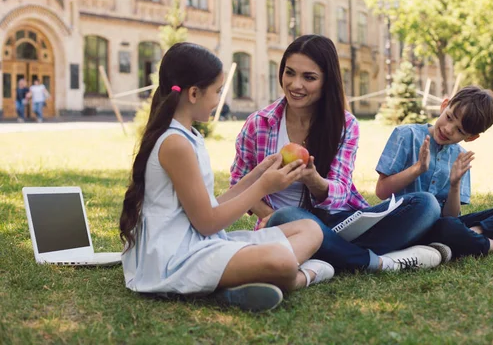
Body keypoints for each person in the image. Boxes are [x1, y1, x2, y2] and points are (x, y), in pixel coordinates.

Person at [119, 42, 335, 313]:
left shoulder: (188, 136)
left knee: (310, 229)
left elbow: (210, 205)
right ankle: (302, 277)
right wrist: (264, 187)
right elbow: (208, 223)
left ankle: (230, 284)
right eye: (218, 91)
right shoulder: (175, 144)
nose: (219, 99)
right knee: (282, 260)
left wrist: (258, 173)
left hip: (199, 244)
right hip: (176, 259)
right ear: (195, 94)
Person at [230, 34, 443, 273]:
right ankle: (372, 261)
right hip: (285, 223)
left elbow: (340, 194)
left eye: (309, 77)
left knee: (426, 205)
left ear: (326, 81)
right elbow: (239, 182)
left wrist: (313, 180)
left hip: (341, 222)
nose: (295, 84)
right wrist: (268, 215)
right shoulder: (258, 123)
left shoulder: (345, 125)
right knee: (288, 216)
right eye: (289, 73)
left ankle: (326, 252)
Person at [375, 85, 493, 260]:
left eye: (460, 130)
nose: (449, 129)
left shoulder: (460, 157)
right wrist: (417, 169)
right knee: (444, 222)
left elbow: (450, 217)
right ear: (444, 106)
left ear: (471, 137)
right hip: (402, 225)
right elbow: (381, 191)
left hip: (440, 229)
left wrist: (455, 185)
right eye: (449, 117)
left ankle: (467, 235)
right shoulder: (406, 135)